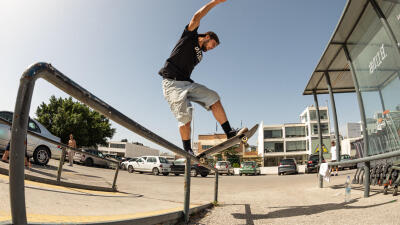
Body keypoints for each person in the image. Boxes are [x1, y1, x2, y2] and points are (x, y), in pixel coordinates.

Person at [159, 0, 246, 155]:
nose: (211, 48)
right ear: (206, 36)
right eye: (212, 44)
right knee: (186, 116)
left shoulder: (201, 56)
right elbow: (197, 16)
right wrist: (216, 2)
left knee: (213, 97)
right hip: (172, 83)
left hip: (187, 83)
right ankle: (187, 149)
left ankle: (229, 133)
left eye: (213, 48)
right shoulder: (190, 36)